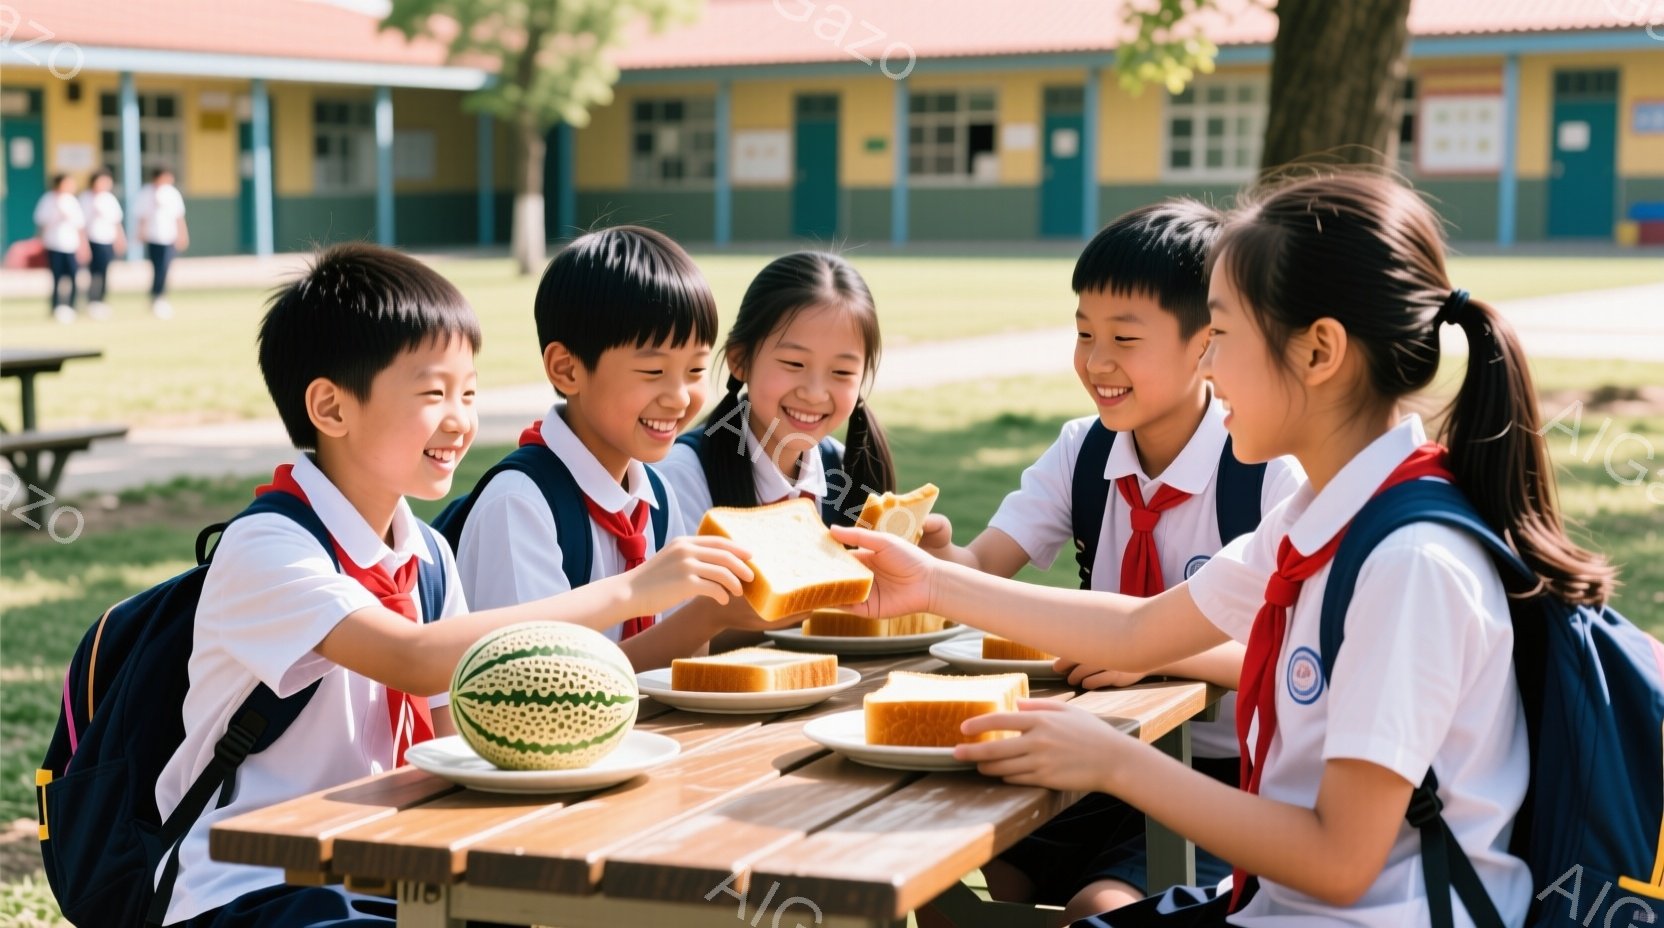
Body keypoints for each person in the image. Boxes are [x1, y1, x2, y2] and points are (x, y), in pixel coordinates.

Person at [831, 172, 1615, 926]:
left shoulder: (1410, 563)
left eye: (1225, 335)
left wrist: (1116, 764)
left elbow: (1341, 861)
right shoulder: (1322, 516)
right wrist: (931, 583)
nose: (1211, 364)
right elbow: (1136, 633)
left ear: (1319, 352)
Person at [160, 242, 754, 926]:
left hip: (391, 870)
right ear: (330, 407)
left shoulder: (430, 557)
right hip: (252, 885)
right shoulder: (268, 546)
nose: (460, 420)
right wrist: (632, 592)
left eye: (469, 393)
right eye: (433, 393)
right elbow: (410, 655)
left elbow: (459, 741)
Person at [918, 202, 1302, 923]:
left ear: (1207, 344)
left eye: (1125, 338)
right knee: (942, 870)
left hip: (1225, 778)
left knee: (1103, 905)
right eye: (1084, 333)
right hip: (1093, 757)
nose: (1097, 362)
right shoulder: (1084, 450)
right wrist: (942, 558)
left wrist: (1162, 651)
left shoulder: (1261, 469)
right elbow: (985, 562)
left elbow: (1290, 662)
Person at [451, 226, 774, 670]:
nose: (680, 397)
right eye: (653, 371)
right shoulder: (521, 505)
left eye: (696, 369)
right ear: (567, 369)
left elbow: (676, 667)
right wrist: (705, 617)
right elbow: (536, 689)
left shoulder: (657, 497)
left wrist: (714, 617)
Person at [657, 250, 895, 530]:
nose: (815, 393)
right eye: (794, 363)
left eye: (842, 372)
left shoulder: (845, 470)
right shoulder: (681, 478)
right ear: (740, 360)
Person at [135, 166, 188, 319]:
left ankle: (160, 296)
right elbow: (142, 215)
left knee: (165, 267)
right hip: (154, 237)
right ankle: (156, 297)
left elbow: (179, 217)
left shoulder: (172, 193)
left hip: (169, 237)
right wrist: (141, 232)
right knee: (157, 267)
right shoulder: (147, 193)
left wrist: (182, 234)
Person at [34, 173, 84, 324]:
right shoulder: (48, 200)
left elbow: (79, 225)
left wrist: (83, 245)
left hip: (70, 245)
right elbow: (41, 222)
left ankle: (71, 305)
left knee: (73, 275)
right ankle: (56, 306)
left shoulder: (72, 201)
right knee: (56, 277)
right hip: (54, 244)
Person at [79, 167, 125, 320]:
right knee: (94, 272)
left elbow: (116, 222)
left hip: (107, 240)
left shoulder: (109, 199)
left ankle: (102, 300)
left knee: (105, 271)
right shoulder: (86, 198)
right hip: (92, 239)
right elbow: (81, 224)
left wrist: (120, 238)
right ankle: (92, 300)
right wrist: (83, 244)